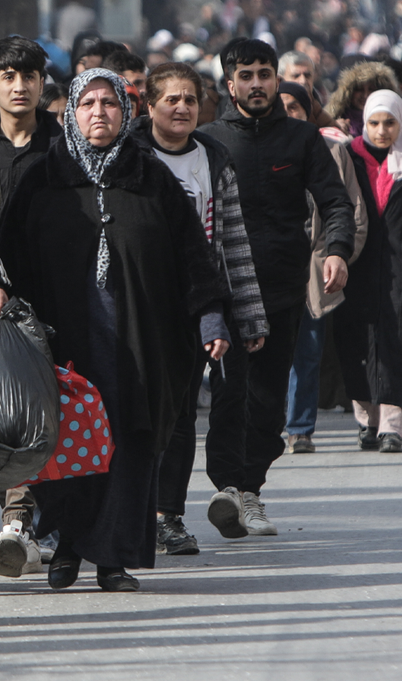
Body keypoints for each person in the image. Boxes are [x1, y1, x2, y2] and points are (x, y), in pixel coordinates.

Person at [0, 68, 232, 592]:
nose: (98, 112)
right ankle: (68, 551)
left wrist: (210, 315)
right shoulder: (43, 177)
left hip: (139, 342)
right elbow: (5, 255)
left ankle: (112, 559)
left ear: (126, 113)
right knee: (68, 444)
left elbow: (194, 255)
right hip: (61, 342)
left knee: (126, 443)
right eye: (88, 104)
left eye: (109, 103)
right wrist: (1, 300)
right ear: (71, 114)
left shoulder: (151, 177)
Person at [200, 37, 355, 540]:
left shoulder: (303, 140)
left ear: (276, 79)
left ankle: (250, 490)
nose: (257, 84)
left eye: (264, 74)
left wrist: (335, 250)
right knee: (227, 393)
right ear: (230, 84)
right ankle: (226, 486)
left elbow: (335, 203)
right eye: (245, 76)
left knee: (268, 400)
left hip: (283, 288)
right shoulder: (207, 141)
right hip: (222, 293)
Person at [136, 62, 268, 557]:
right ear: (149, 106)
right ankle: (125, 511)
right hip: (135, 306)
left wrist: (248, 316)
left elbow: (232, 241)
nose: (181, 108)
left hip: (195, 308)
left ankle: (167, 516)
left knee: (180, 416)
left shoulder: (213, 160)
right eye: (170, 99)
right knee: (135, 414)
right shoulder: (129, 157)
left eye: (190, 99)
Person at [0, 35, 58, 576]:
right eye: (8, 76)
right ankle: (18, 518)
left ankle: (32, 520)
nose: (19, 85)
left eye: (29, 75)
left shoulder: (64, 145)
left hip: (58, 297)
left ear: (42, 84)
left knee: (48, 408)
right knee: (1, 409)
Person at [332, 91, 402, 452]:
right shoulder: (347, 157)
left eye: (390, 123)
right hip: (357, 266)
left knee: (399, 343)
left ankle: (393, 428)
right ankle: (367, 421)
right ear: (364, 123)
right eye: (374, 123)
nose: (382, 131)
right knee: (357, 343)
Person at [277, 81, 369, 455]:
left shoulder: (333, 152)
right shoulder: (257, 150)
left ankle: (299, 428)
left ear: (309, 112)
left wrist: (338, 255)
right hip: (270, 268)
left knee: (307, 351)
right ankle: (268, 424)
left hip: (314, 268)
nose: (287, 115)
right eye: (279, 106)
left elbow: (352, 213)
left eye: (295, 108)